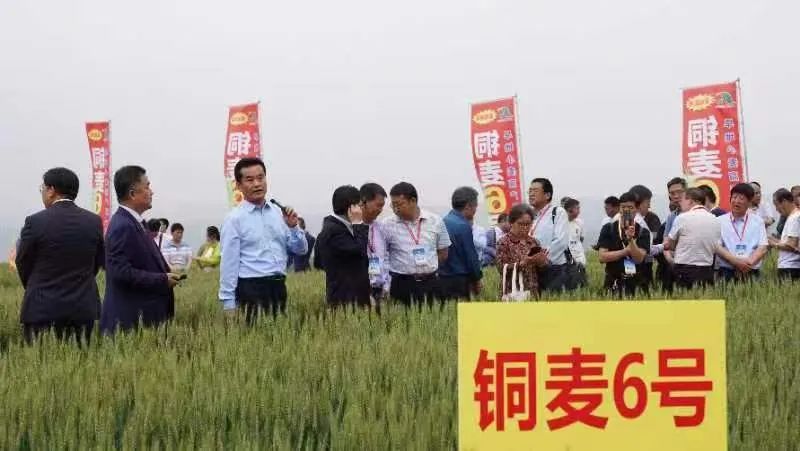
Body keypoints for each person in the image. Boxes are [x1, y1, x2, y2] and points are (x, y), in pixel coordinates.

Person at [15, 168, 105, 344]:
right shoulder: (93, 221)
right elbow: (97, 262)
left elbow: (23, 261)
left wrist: (37, 286)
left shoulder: (35, 222)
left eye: (42, 188)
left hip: (41, 310)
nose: (42, 192)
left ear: (51, 190)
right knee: (80, 359)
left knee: (39, 358)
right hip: (82, 309)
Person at [218, 158, 308, 321]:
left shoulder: (278, 213)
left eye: (261, 178)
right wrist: (229, 303)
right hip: (250, 288)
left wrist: (294, 227)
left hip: (279, 285)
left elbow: (301, 250)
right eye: (250, 180)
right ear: (238, 185)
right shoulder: (234, 219)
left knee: (279, 334)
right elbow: (229, 263)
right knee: (255, 334)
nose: (257, 184)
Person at [100, 166, 181, 334]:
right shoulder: (122, 226)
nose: (152, 192)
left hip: (145, 320)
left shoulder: (136, 222)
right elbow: (120, 272)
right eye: (147, 187)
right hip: (130, 323)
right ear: (132, 194)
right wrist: (162, 280)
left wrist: (166, 272)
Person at [383, 182, 451, 308]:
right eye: (393, 205)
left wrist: (425, 268)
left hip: (430, 283)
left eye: (399, 204)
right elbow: (382, 255)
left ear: (413, 201)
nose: (395, 209)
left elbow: (443, 252)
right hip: (401, 284)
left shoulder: (435, 221)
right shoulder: (387, 225)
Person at [315, 185, 371, 309]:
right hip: (346, 299)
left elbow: (317, 262)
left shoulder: (331, 227)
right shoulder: (334, 231)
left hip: (353, 297)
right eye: (360, 205)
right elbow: (359, 250)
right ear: (351, 208)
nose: (362, 209)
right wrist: (358, 224)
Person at [664, 187, 721, 289]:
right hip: (707, 270)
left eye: (682, 200)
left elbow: (670, 245)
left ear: (691, 201)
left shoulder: (682, 218)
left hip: (684, 269)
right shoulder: (715, 219)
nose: (680, 203)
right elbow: (715, 246)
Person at [597, 192, 651, 297]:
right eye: (623, 207)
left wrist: (630, 240)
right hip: (613, 282)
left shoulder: (643, 232)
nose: (626, 210)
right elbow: (602, 257)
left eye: (630, 207)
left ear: (637, 209)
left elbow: (639, 258)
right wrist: (625, 251)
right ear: (619, 209)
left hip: (636, 284)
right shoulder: (608, 228)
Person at [715, 183, 768, 282]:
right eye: (734, 197)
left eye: (741, 198)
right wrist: (736, 262)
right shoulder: (719, 221)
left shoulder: (758, 221)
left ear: (749, 202)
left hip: (751, 270)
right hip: (727, 271)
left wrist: (748, 263)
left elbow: (763, 247)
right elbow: (717, 247)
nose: (737, 201)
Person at [528, 178, 572, 292]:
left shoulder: (557, 212)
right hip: (532, 270)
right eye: (530, 191)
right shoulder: (528, 216)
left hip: (554, 269)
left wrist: (543, 259)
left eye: (535, 190)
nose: (531, 194)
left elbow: (561, 241)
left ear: (547, 195)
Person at [439, 187, 483, 301]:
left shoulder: (442, 221)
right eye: (475, 206)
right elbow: (471, 258)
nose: (475, 210)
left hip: (441, 279)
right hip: (459, 281)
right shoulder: (463, 226)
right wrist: (477, 279)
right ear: (468, 206)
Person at [496, 204, 548, 297]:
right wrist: (522, 263)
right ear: (511, 223)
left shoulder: (534, 242)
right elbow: (501, 268)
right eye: (520, 224)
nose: (525, 227)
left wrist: (542, 263)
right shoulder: (504, 242)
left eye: (528, 224)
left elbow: (542, 271)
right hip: (513, 293)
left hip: (533, 291)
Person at [360, 183, 389, 309]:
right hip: (361, 291)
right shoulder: (352, 229)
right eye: (378, 205)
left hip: (381, 290)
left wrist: (387, 284)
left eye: (382, 206)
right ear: (363, 202)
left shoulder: (381, 228)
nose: (380, 210)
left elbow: (386, 258)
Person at [769, 188, 800, 281]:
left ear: (784, 202)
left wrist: (773, 244)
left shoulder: (794, 218)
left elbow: (791, 245)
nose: (776, 209)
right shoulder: (793, 216)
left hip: (790, 267)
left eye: (776, 205)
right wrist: (772, 239)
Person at [563, 197, 587, 288]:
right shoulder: (560, 223)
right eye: (577, 208)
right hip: (566, 261)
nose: (579, 211)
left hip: (579, 259)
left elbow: (581, 239)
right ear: (570, 210)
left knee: (582, 284)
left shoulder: (579, 223)